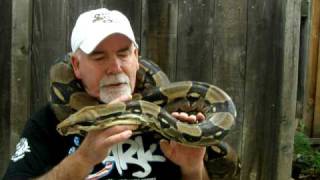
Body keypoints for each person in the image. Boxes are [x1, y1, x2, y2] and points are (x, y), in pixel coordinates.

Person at [3, 8, 210, 180]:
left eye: (123, 53)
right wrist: (82, 159)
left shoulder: (175, 121)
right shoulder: (49, 123)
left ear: (136, 57)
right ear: (76, 65)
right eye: (99, 57)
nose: (115, 67)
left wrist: (193, 169)